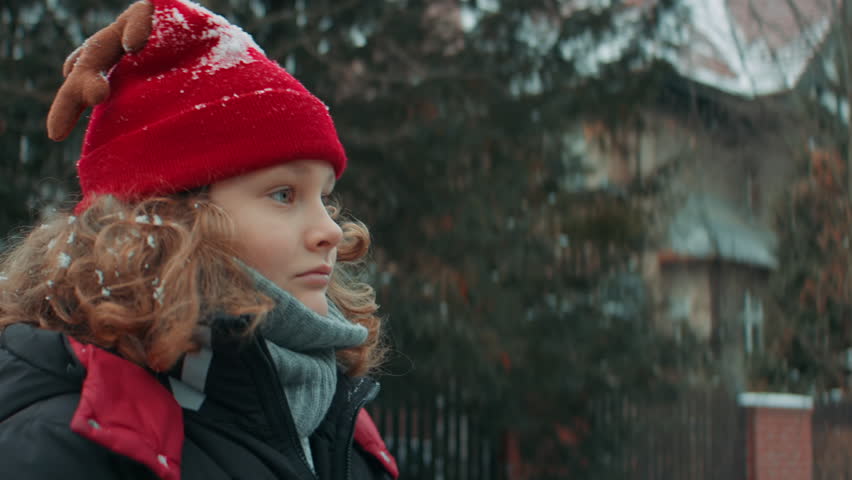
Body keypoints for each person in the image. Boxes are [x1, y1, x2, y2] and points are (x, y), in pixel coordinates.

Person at [0, 1, 399, 479]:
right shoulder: (66, 442)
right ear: (168, 219)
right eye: (283, 194)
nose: (331, 230)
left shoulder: (343, 424)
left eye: (325, 198)